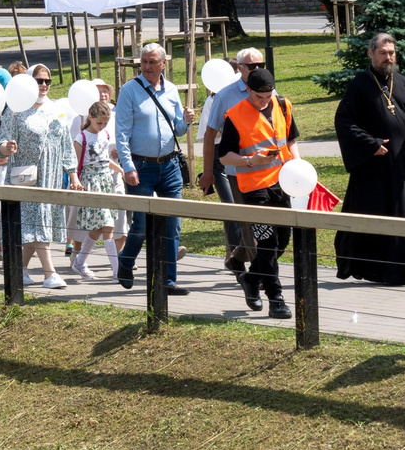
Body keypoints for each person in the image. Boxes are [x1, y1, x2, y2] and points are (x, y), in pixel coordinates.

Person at [333, 34, 405, 286]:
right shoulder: (360, 84)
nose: (388, 57)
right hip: (372, 168)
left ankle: (403, 270)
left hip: (399, 165)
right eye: (383, 53)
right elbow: (344, 121)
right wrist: (371, 144)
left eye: (391, 52)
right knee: (372, 217)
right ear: (371, 54)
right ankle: (373, 269)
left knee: (403, 216)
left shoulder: (402, 82)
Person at [214, 65, 300, 318]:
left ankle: (251, 278)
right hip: (254, 188)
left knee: (283, 240)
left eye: (268, 96)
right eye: (258, 97)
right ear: (247, 89)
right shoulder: (235, 115)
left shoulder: (283, 105)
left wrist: (298, 167)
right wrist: (251, 160)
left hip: (283, 183)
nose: (264, 102)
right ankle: (276, 298)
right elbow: (225, 156)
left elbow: (291, 140)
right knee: (267, 242)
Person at [112, 43, 188, 293]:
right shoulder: (129, 91)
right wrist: (128, 166)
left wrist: (187, 122)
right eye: (143, 62)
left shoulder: (172, 90)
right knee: (142, 224)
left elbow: (177, 129)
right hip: (140, 167)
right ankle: (126, 260)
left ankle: (168, 281)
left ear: (163, 63)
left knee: (172, 224)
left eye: (152, 62)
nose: (146, 66)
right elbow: (121, 132)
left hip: (170, 165)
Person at [198, 47, 267, 274]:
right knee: (249, 228)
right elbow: (209, 135)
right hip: (238, 173)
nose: (257, 70)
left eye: (260, 65)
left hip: (267, 173)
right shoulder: (225, 96)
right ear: (240, 68)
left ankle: (237, 258)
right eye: (252, 66)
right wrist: (207, 172)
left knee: (271, 230)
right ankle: (262, 282)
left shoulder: (271, 92)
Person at [0, 80, 70, 288]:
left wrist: (71, 173)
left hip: (51, 176)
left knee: (36, 225)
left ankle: (19, 271)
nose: (44, 84)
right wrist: (6, 147)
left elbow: (65, 143)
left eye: (48, 80)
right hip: (26, 177)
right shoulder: (16, 111)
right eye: (39, 80)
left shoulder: (55, 110)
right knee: (37, 222)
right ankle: (49, 273)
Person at [71, 100, 127, 278]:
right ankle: (117, 271)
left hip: (105, 181)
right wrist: (75, 180)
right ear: (90, 118)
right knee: (107, 226)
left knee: (98, 228)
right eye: (99, 123)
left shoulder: (105, 135)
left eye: (105, 123)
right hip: (90, 182)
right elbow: (76, 162)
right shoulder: (82, 138)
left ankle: (79, 262)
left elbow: (104, 160)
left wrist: (120, 169)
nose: (102, 126)